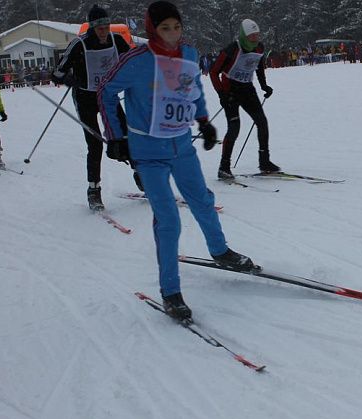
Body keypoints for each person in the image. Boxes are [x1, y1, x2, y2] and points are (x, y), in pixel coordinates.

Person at [98, 1, 255, 321]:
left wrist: (204, 121)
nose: (172, 34)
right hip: (148, 152)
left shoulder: (189, 54)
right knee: (168, 219)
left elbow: (192, 89)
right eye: (164, 28)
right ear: (152, 29)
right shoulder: (136, 60)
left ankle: (220, 250)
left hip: (182, 146)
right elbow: (105, 91)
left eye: (176, 27)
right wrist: (116, 135)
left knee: (203, 200)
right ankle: (171, 292)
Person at [52, 4, 137, 211]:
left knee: (126, 135)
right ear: (92, 27)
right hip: (85, 98)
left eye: (106, 27)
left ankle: (142, 174)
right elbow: (57, 73)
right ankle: (94, 190)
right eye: (100, 28)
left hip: (108, 97)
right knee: (95, 143)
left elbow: (134, 61)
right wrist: (69, 79)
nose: (104, 31)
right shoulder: (79, 44)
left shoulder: (117, 40)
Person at [207, 18, 279, 180]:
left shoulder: (259, 48)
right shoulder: (232, 49)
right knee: (234, 128)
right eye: (252, 36)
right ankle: (224, 167)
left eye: (257, 35)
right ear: (244, 36)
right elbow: (213, 72)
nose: (255, 39)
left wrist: (264, 86)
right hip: (230, 91)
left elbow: (259, 67)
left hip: (247, 89)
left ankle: (264, 161)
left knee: (262, 122)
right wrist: (221, 94)